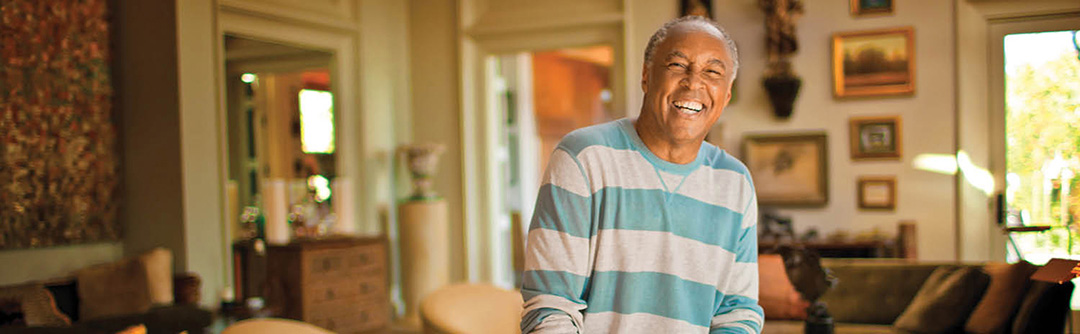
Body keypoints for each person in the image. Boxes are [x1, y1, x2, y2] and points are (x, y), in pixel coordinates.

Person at [519, 15, 763, 334]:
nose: (693, 83)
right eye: (677, 65)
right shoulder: (583, 157)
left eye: (713, 72)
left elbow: (737, 312)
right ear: (646, 77)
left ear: (726, 95)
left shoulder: (736, 182)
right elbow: (550, 308)